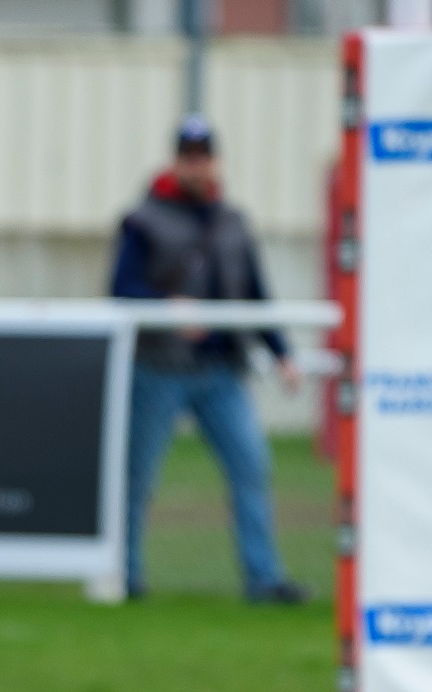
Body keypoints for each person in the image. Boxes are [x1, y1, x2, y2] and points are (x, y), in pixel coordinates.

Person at [111, 114, 306, 604]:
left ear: (214, 161)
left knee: (251, 469)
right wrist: (166, 307)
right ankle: (126, 576)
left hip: (223, 369)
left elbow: (255, 294)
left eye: (204, 156)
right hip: (159, 368)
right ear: (176, 161)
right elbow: (121, 286)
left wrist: (282, 352)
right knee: (138, 479)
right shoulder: (143, 220)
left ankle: (263, 579)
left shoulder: (232, 220)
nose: (196, 166)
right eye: (188, 157)